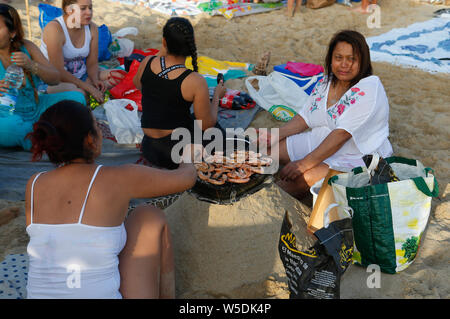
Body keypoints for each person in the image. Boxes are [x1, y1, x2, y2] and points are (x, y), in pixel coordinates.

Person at [24, 100, 197, 298]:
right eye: (97, 125)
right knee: (149, 216)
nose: (101, 130)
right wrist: (189, 156)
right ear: (90, 140)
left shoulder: (34, 184)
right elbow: (186, 179)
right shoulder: (118, 178)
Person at [264, 30, 393, 200]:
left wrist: (303, 164)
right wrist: (274, 135)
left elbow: (341, 135)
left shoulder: (369, 88)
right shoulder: (326, 82)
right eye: (338, 58)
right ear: (331, 59)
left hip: (357, 155)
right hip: (321, 140)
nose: (344, 64)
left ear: (363, 61)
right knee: (267, 151)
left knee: (304, 178)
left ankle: (267, 200)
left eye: (352, 59)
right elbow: (305, 118)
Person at [133, 17, 227, 170]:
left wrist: (162, 51)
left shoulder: (148, 61)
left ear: (164, 42)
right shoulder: (194, 80)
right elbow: (207, 124)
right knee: (216, 132)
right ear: (191, 43)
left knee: (189, 118)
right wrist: (216, 96)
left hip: (149, 147)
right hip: (176, 153)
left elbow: (138, 84)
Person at [0, 3, 85, 151]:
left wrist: (32, 65)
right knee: (8, 128)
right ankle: (45, 136)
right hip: (6, 116)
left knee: (77, 99)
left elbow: (54, 78)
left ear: (12, 32)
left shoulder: (27, 47)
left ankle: (39, 136)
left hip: (37, 108)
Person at [40, 0, 124, 104]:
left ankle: (91, 91)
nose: (89, 12)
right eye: (83, 8)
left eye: (90, 8)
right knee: (80, 95)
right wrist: (89, 88)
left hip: (81, 75)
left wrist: (94, 80)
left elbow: (92, 63)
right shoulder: (55, 29)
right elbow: (58, 71)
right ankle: (86, 93)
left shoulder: (92, 28)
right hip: (55, 81)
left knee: (120, 76)